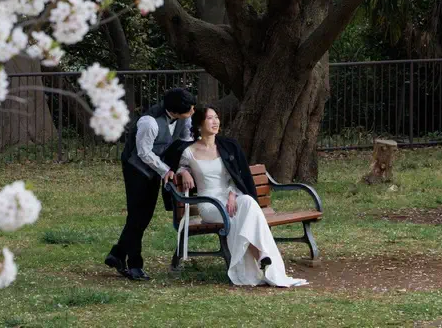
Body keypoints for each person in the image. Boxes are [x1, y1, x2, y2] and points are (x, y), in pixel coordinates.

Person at [174, 106, 307, 287]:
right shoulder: (189, 152)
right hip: (210, 204)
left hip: (229, 197)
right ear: (199, 124)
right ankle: (260, 255)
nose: (216, 122)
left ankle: (261, 256)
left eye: (217, 117)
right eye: (210, 118)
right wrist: (184, 172)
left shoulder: (227, 146)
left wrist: (232, 194)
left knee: (248, 203)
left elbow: (236, 177)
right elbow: (179, 167)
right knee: (242, 217)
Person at [104, 87, 196, 281]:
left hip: (157, 167)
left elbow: (185, 139)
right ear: (176, 111)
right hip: (136, 167)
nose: (193, 112)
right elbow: (143, 153)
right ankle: (135, 265)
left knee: (144, 216)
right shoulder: (149, 122)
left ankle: (117, 254)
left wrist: (179, 166)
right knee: (137, 215)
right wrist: (165, 170)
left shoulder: (184, 117)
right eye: (189, 109)